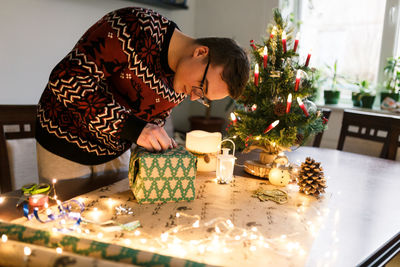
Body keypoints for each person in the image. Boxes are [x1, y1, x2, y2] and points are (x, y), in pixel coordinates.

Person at [35, 7, 250, 182]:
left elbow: (147, 125)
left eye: (203, 98)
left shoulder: (182, 81)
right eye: (201, 87)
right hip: (63, 140)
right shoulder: (134, 28)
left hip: (115, 155)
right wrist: (131, 128)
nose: (194, 97)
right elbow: (66, 79)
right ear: (200, 52)